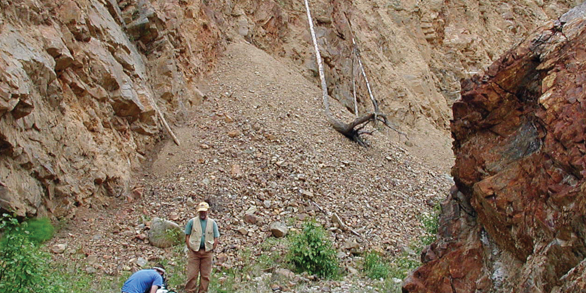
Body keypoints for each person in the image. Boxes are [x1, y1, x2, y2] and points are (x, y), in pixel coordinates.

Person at [184, 201, 220, 293]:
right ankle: (189, 291)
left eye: (204, 211)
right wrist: (190, 247)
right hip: (194, 252)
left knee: (205, 276)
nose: (202, 213)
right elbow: (187, 236)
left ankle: (203, 291)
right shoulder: (192, 222)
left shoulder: (212, 223)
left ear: (207, 211)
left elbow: (216, 237)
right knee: (192, 275)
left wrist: (212, 249)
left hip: (207, 253)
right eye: (201, 212)